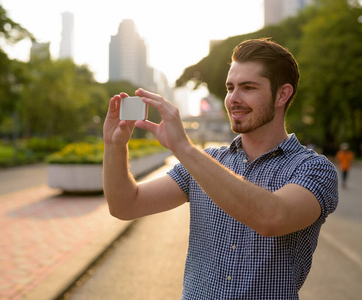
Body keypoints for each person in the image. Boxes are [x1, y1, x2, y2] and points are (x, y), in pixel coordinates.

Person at [103, 38, 338, 299]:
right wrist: (114, 146)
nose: (233, 99)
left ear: (283, 94)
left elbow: (272, 218)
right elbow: (125, 205)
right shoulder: (206, 161)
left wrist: (184, 148)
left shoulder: (313, 169)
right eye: (230, 88)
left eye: (248, 87)